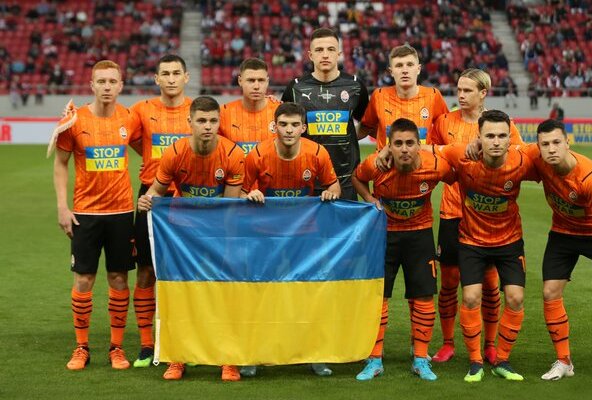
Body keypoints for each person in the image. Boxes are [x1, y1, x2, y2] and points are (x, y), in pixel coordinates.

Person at [137, 96, 245, 381]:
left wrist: (217, 241)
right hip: (181, 237)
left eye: (212, 121)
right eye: (201, 121)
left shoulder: (233, 154)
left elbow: (229, 208)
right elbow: (157, 190)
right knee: (181, 298)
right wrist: (147, 199)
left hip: (218, 236)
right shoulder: (174, 152)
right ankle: (178, 358)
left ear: (219, 123)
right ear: (190, 122)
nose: (207, 126)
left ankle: (228, 360)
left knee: (223, 297)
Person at [428, 69, 523, 365]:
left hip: (487, 219)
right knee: (449, 282)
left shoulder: (501, 125)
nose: (460, 95)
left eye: (467, 90)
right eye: (458, 89)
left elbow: (520, 156)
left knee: (490, 285)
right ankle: (447, 343)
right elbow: (432, 155)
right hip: (452, 212)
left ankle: (490, 345)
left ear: (483, 93)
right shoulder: (444, 122)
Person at [436, 110, 539, 382]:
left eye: (502, 136)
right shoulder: (461, 155)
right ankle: (475, 362)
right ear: (478, 137)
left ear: (510, 138)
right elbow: (427, 151)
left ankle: (502, 359)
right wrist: (386, 152)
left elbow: (557, 155)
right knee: (471, 297)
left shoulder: (522, 159)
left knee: (515, 298)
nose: (496, 141)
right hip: (472, 241)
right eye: (489, 136)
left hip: (509, 241)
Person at [240, 102, 340, 377]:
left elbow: (334, 185)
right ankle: (252, 355)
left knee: (307, 294)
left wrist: (330, 193)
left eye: (295, 125)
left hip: (303, 236)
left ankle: (314, 355)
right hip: (266, 236)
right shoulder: (257, 155)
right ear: (274, 126)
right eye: (283, 124)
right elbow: (240, 193)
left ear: (303, 128)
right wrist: (250, 195)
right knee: (261, 295)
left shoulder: (317, 153)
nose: (288, 130)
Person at [352, 118, 456, 382]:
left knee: (423, 297)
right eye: (398, 143)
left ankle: (420, 359)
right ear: (389, 146)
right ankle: (374, 359)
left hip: (420, 235)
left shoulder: (435, 165)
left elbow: (456, 177)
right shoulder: (375, 165)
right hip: (384, 236)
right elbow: (356, 178)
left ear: (419, 145)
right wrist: (370, 199)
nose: (405, 149)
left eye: (410, 143)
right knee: (379, 297)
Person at [531, 119, 592, 389]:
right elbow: (510, 147)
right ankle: (564, 361)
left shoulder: (589, 176)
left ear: (567, 143)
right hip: (563, 232)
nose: (551, 149)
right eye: (545, 144)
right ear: (538, 147)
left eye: (556, 142)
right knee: (550, 291)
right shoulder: (538, 161)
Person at [53, 60, 135, 371]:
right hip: (85, 213)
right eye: (101, 81)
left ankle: (116, 347)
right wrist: (62, 206)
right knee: (84, 279)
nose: (107, 87)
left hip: (122, 212)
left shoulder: (130, 117)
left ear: (121, 85)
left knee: (118, 278)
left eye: (112, 81)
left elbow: (153, 148)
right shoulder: (75, 120)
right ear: (91, 85)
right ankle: (81, 347)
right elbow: (61, 163)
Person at [126, 54, 192, 368]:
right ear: (156, 79)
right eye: (165, 73)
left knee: (187, 272)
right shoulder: (142, 110)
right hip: (151, 197)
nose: (171, 78)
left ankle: (185, 340)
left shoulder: (196, 109)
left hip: (188, 198)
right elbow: (121, 133)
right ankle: (146, 344)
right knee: (146, 270)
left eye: (176, 73)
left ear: (186, 77)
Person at [281, 28, 369, 200]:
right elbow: (283, 126)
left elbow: (368, 124)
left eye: (330, 49)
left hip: (345, 180)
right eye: (319, 50)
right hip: (306, 179)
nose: (325, 55)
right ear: (310, 55)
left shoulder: (355, 86)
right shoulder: (295, 88)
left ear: (339, 54)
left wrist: (349, 136)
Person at [360, 44, 449, 150]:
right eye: (399, 65)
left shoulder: (433, 96)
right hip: (386, 161)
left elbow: (447, 131)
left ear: (418, 69)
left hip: (423, 160)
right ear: (391, 72)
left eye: (410, 64)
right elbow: (365, 128)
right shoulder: (379, 96)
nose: (405, 70)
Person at [219, 58, 280, 156]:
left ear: (267, 82)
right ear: (240, 81)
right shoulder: (223, 113)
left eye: (261, 80)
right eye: (251, 80)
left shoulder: (280, 111)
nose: (256, 86)